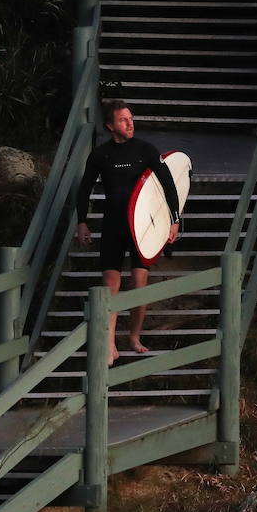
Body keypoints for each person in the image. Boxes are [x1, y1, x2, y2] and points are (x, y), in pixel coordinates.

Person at [74, 99, 181, 365]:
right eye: (123, 120)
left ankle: (133, 336)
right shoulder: (100, 155)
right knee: (111, 285)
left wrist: (174, 220)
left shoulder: (146, 150)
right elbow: (84, 188)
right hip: (113, 225)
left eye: (131, 118)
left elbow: (169, 184)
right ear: (110, 125)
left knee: (139, 282)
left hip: (143, 229)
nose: (130, 123)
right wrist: (82, 221)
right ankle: (109, 344)